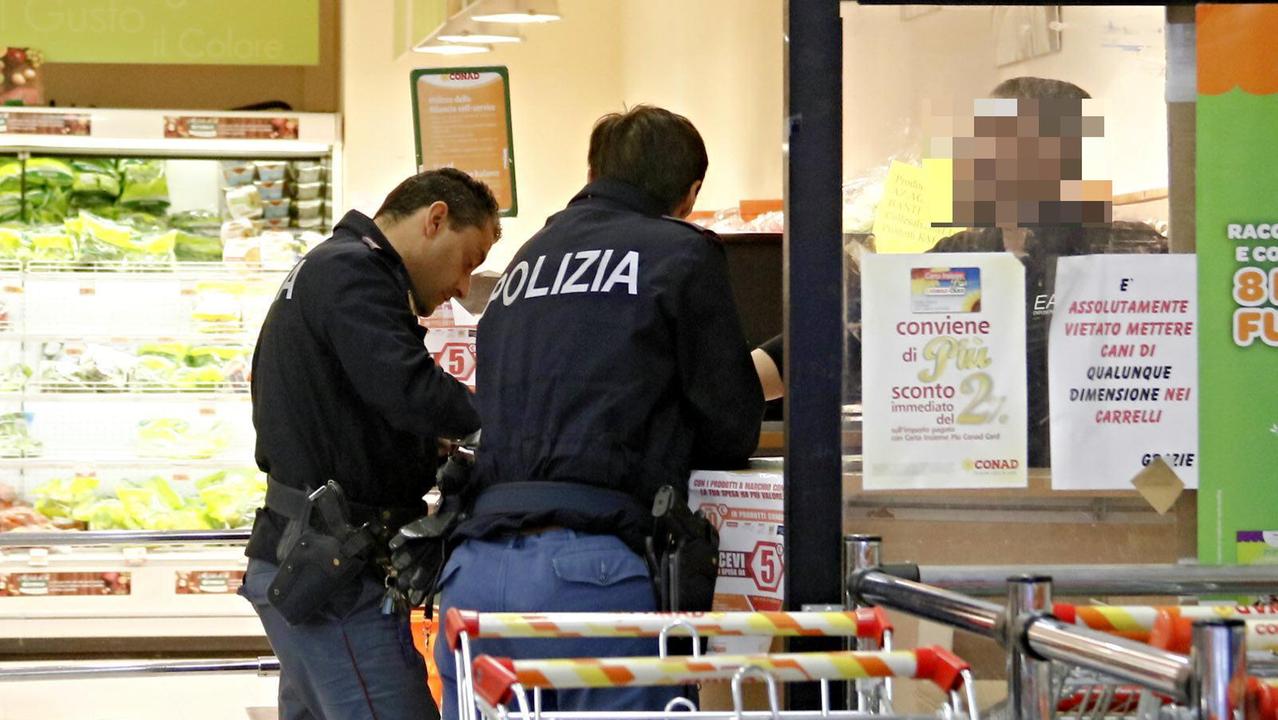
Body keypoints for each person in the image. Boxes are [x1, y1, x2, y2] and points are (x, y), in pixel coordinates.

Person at [433, 105, 765, 719]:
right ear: (689, 193)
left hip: (474, 572)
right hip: (591, 574)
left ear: (593, 171)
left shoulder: (526, 261)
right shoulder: (681, 253)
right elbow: (730, 426)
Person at [239, 168, 501, 720]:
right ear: (435, 219)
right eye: (468, 261)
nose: (461, 287)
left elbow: (348, 411)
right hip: (336, 577)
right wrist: (504, 424)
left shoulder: (328, 267)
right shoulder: (355, 272)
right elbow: (407, 387)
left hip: (306, 558)